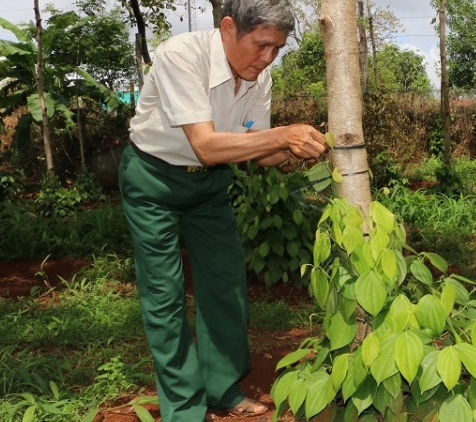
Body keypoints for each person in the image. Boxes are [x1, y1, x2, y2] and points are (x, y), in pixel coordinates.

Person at [117, 0, 326, 420]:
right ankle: (184, 409)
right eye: (261, 45)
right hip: (154, 180)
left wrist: (292, 148)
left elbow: (259, 151)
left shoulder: (257, 77)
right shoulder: (181, 56)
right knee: (164, 295)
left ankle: (222, 389)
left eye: (278, 50)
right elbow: (207, 145)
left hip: (210, 185)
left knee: (225, 284)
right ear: (228, 28)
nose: (267, 59)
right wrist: (282, 135)